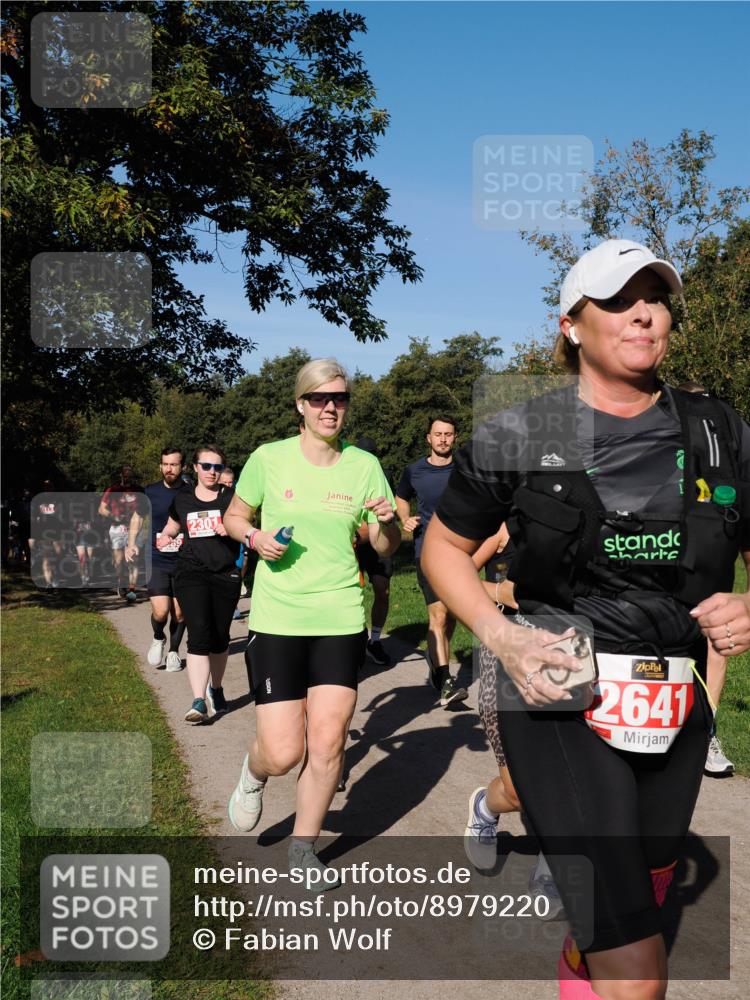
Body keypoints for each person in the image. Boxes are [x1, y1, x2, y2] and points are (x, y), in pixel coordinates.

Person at [423, 239, 750, 1000]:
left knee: (638, 900)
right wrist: (500, 636)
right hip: (557, 688)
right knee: (636, 969)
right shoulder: (521, 431)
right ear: (570, 324)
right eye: (617, 299)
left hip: (674, 692)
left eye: (657, 297)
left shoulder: (717, 429)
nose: (643, 312)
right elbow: (442, 546)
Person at [223, 358, 400, 887]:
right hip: (278, 616)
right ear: (301, 404)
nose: (331, 407)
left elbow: (384, 545)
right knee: (284, 751)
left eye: (340, 398)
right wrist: (254, 539)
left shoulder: (365, 465)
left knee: (327, 744)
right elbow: (236, 516)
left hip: (341, 615)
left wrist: (389, 524)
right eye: (320, 398)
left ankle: (304, 849)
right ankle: (253, 774)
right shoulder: (268, 458)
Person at [155, 446, 240, 722]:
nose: (211, 472)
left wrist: (231, 528)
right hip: (191, 573)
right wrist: (165, 536)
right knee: (199, 635)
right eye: (206, 466)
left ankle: (216, 688)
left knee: (220, 638)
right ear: (195, 468)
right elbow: (173, 524)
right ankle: (198, 700)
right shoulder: (183, 498)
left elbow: (245, 524)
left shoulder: (231, 498)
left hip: (224, 573)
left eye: (217, 467)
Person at [677, 382, 735, 777]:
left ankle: (706, 732)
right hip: (664, 569)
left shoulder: (728, 455)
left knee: (716, 644)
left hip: (714, 567)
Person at [396, 416, 468, 707]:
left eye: (448, 434)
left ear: (454, 438)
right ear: (428, 438)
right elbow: (401, 496)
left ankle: (438, 667)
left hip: (462, 553)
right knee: (438, 616)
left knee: (450, 617)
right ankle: (446, 682)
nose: (442, 439)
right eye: (437, 434)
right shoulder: (414, 470)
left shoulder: (465, 469)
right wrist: (405, 518)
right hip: (427, 552)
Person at [126, 447, 188, 672]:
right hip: (157, 558)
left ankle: (173, 652)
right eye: (165, 464)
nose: (169, 469)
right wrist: (131, 542)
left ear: (183, 467)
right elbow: (137, 517)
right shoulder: (150, 491)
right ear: (160, 466)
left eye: (174, 464)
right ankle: (158, 636)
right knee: (161, 611)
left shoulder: (191, 492)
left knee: (180, 612)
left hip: (184, 560)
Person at [354, 435, 393, 666]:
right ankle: (355, 639)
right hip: (353, 543)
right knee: (352, 593)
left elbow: (391, 508)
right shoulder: (343, 474)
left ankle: (375, 640)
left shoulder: (383, 475)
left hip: (377, 542)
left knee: (383, 590)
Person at [99, 466, 145, 601]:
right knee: (119, 560)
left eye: (130, 473)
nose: (127, 476)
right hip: (117, 528)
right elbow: (101, 509)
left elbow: (145, 510)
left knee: (134, 560)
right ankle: (121, 581)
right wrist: (114, 516)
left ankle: (131, 590)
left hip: (135, 528)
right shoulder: (112, 490)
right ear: (121, 475)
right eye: (125, 474)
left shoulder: (139, 490)